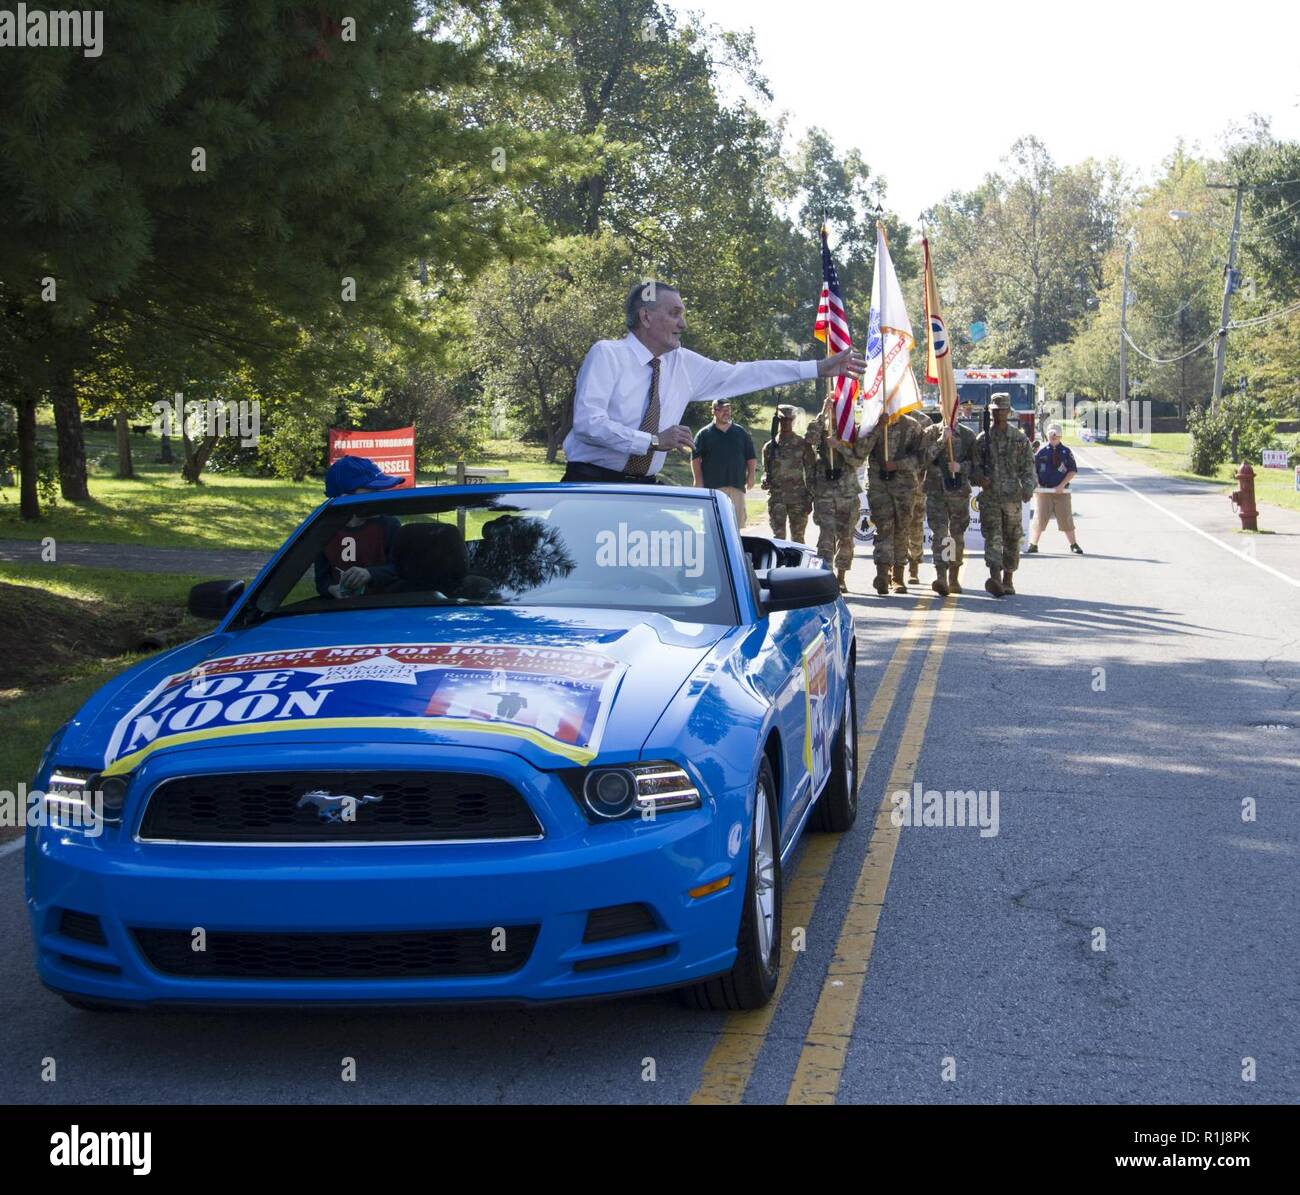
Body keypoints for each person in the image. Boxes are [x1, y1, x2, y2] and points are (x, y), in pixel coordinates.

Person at [561, 280, 864, 483]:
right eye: (674, 313)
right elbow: (588, 425)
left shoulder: (683, 363)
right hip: (591, 484)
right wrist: (652, 442)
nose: (684, 323)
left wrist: (816, 368)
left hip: (643, 488)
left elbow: (747, 373)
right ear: (646, 317)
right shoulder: (607, 355)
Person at [973, 392, 1036, 597]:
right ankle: (995, 579)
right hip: (990, 498)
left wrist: (1028, 487)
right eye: (995, 411)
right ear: (990, 412)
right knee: (993, 537)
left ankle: (1008, 579)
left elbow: (1029, 467)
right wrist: (980, 478)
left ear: (1009, 412)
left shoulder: (1019, 438)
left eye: (1002, 410)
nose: (999, 414)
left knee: (1012, 538)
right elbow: (973, 468)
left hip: (1012, 498)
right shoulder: (982, 439)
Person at [805, 396, 870, 592]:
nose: (835, 411)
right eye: (832, 407)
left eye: (837, 407)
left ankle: (841, 577)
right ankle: (826, 576)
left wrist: (839, 446)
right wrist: (823, 412)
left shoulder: (851, 431)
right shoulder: (821, 428)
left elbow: (858, 460)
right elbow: (809, 440)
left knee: (846, 536)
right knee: (826, 534)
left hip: (847, 492)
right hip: (825, 490)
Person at [314, 456, 403, 598]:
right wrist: (332, 589)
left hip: (385, 606)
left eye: (378, 490)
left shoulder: (389, 525)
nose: (378, 496)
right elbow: (322, 581)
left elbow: (401, 569)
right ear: (345, 497)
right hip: (341, 611)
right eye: (372, 490)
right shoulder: (324, 531)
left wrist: (370, 574)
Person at [860, 407, 925, 594]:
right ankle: (882, 573)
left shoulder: (912, 427)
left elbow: (921, 459)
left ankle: (898, 576)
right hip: (879, 486)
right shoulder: (872, 425)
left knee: (901, 529)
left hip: (904, 487)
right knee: (884, 528)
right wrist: (879, 427)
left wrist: (897, 465)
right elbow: (861, 450)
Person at [921, 415, 979, 595]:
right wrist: (941, 440)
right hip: (935, 491)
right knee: (939, 534)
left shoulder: (968, 435)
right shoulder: (931, 432)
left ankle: (954, 576)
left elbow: (976, 465)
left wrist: (961, 467)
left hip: (958, 493)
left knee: (956, 536)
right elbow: (922, 459)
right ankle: (941, 576)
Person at [692, 398, 755, 528]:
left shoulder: (740, 432)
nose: (726, 413)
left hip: (736, 485)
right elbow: (695, 459)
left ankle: (735, 548)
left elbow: (750, 457)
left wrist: (751, 476)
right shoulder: (704, 434)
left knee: (736, 526)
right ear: (713, 411)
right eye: (722, 410)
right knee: (713, 525)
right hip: (713, 487)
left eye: (728, 409)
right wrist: (698, 481)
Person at [760, 404, 815, 543]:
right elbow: (766, 472)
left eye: (789, 420)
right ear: (778, 421)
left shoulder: (802, 444)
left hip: (799, 499)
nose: (786, 423)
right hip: (777, 499)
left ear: (793, 420)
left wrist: (810, 498)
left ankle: (797, 565)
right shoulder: (770, 447)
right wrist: (764, 480)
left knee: (798, 539)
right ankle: (780, 564)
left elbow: (811, 473)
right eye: (782, 420)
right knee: (778, 539)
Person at [1027, 425, 1083, 554]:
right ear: (1047, 436)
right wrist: (1037, 485)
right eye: (1051, 436)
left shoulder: (1066, 452)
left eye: (1056, 436)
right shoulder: (1041, 452)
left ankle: (1074, 544)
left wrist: (1062, 485)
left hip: (1061, 491)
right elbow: (1032, 471)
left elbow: (1072, 471)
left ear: (1060, 437)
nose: (1053, 438)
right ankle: (1033, 544)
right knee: (1039, 518)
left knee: (1066, 518)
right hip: (1044, 491)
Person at [902, 410, 932, 585]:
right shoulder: (888, 416)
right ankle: (894, 567)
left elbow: (927, 455)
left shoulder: (923, 420)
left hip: (916, 483)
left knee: (915, 526)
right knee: (894, 527)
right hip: (893, 483)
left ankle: (914, 567)